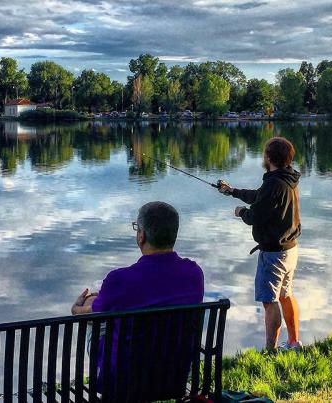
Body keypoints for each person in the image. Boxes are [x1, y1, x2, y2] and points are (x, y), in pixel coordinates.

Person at [71, 201, 204, 389]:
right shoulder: (193, 273)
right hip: (174, 375)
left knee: (95, 314)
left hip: (124, 378)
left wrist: (77, 309)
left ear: (141, 235)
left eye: (137, 228)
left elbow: (93, 312)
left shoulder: (119, 280)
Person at [218, 137, 302, 351]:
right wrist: (233, 192)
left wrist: (240, 213)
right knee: (285, 295)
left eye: (265, 154)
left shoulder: (274, 183)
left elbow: (256, 215)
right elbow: (259, 196)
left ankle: (270, 351)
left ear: (268, 157)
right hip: (290, 249)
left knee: (269, 301)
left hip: (274, 253)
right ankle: (294, 342)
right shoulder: (286, 179)